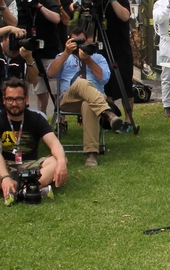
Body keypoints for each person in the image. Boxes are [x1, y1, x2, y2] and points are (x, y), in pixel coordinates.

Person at [46, 27, 132, 168]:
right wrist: (66, 53)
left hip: (94, 100)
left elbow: (104, 78)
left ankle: (91, 155)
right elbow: (50, 74)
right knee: (81, 83)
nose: (80, 44)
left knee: (89, 104)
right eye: (76, 41)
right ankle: (108, 113)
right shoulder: (63, 57)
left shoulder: (98, 57)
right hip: (69, 99)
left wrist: (89, 61)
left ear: (88, 41)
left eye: (82, 41)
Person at [0, 78, 67, 199]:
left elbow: (54, 143)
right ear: (3, 100)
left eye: (19, 99)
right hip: (6, 166)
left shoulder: (37, 118)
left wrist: (61, 163)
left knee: (59, 160)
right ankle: (31, 189)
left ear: (26, 99)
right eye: (10, 99)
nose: (14, 104)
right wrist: (5, 177)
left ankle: (18, 191)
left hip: (32, 166)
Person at [94, 0, 138, 130]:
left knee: (125, 85)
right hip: (103, 49)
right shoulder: (97, 1)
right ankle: (110, 118)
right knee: (107, 86)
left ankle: (128, 119)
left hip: (121, 50)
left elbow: (125, 16)